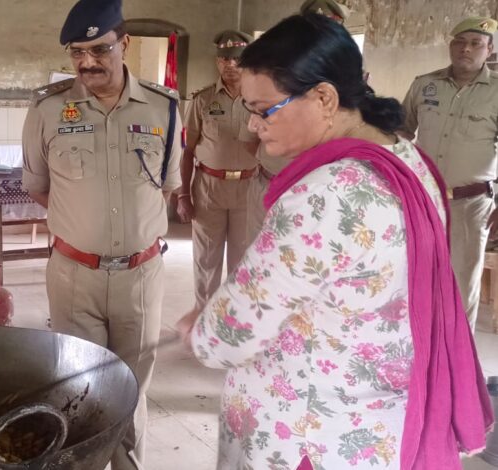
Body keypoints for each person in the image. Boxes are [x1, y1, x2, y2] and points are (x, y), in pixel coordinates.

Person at [177, 13, 492, 470]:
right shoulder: (408, 158)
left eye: (263, 109)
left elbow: (233, 333)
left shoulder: (327, 195)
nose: (253, 126)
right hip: (380, 422)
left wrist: (201, 330)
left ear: (324, 97)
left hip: (311, 431)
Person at [21, 0, 182, 467]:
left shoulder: (165, 108)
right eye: (77, 53)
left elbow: (165, 187)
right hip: (74, 276)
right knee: (79, 390)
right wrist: (85, 227)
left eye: (100, 50)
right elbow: (39, 187)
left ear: (124, 43)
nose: (88, 62)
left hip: (141, 277)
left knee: (131, 389)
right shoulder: (48, 109)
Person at [400, 16, 498, 333]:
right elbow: (400, 133)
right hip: (423, 198)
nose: (465, 49)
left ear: (489, 50)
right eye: (459, 42)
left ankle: (457, 355)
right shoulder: (424, 84)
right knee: (415, 274)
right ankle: (421, 346)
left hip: (471, 205)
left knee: (460, 285)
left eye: (476, 43)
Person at [245, 0, 352, 244]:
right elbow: (252, 136)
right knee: (258, 250)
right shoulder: (272, 80)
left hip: (321, 196)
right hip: (269, 183)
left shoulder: (355, 94)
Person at [177, 30, 260, 311]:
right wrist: (183, 195)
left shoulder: (259, 100)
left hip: (249, 188)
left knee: (243, 259)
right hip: (208, 188)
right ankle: (204, 316)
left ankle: (235, 317)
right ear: (217, 62)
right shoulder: (202, 100)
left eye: (236, 59)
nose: (230, 64)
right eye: (224, 59)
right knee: (206, 259)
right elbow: (188, 151)